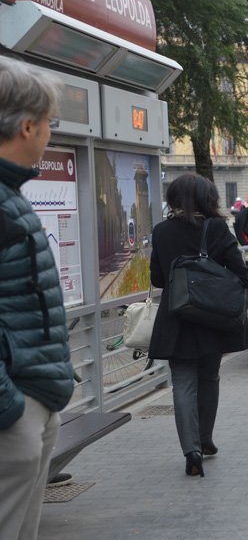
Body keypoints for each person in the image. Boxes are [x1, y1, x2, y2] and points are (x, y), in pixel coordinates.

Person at [0, 56, 74, 540]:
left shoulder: (11, 194)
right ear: (27, 126)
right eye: (49, 122)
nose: (50, 132)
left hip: (33, 398)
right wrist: (11, 411)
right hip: (15, 409)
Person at [149, 173, 248, 478]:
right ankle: (205, 439)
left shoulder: (162, 231)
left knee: (182, 382)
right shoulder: (218, 227)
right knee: (209, 376)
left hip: (176, 317)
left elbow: (157, 278)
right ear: (208, 198)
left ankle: (190, 450)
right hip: (212, 317)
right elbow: (239, 270)